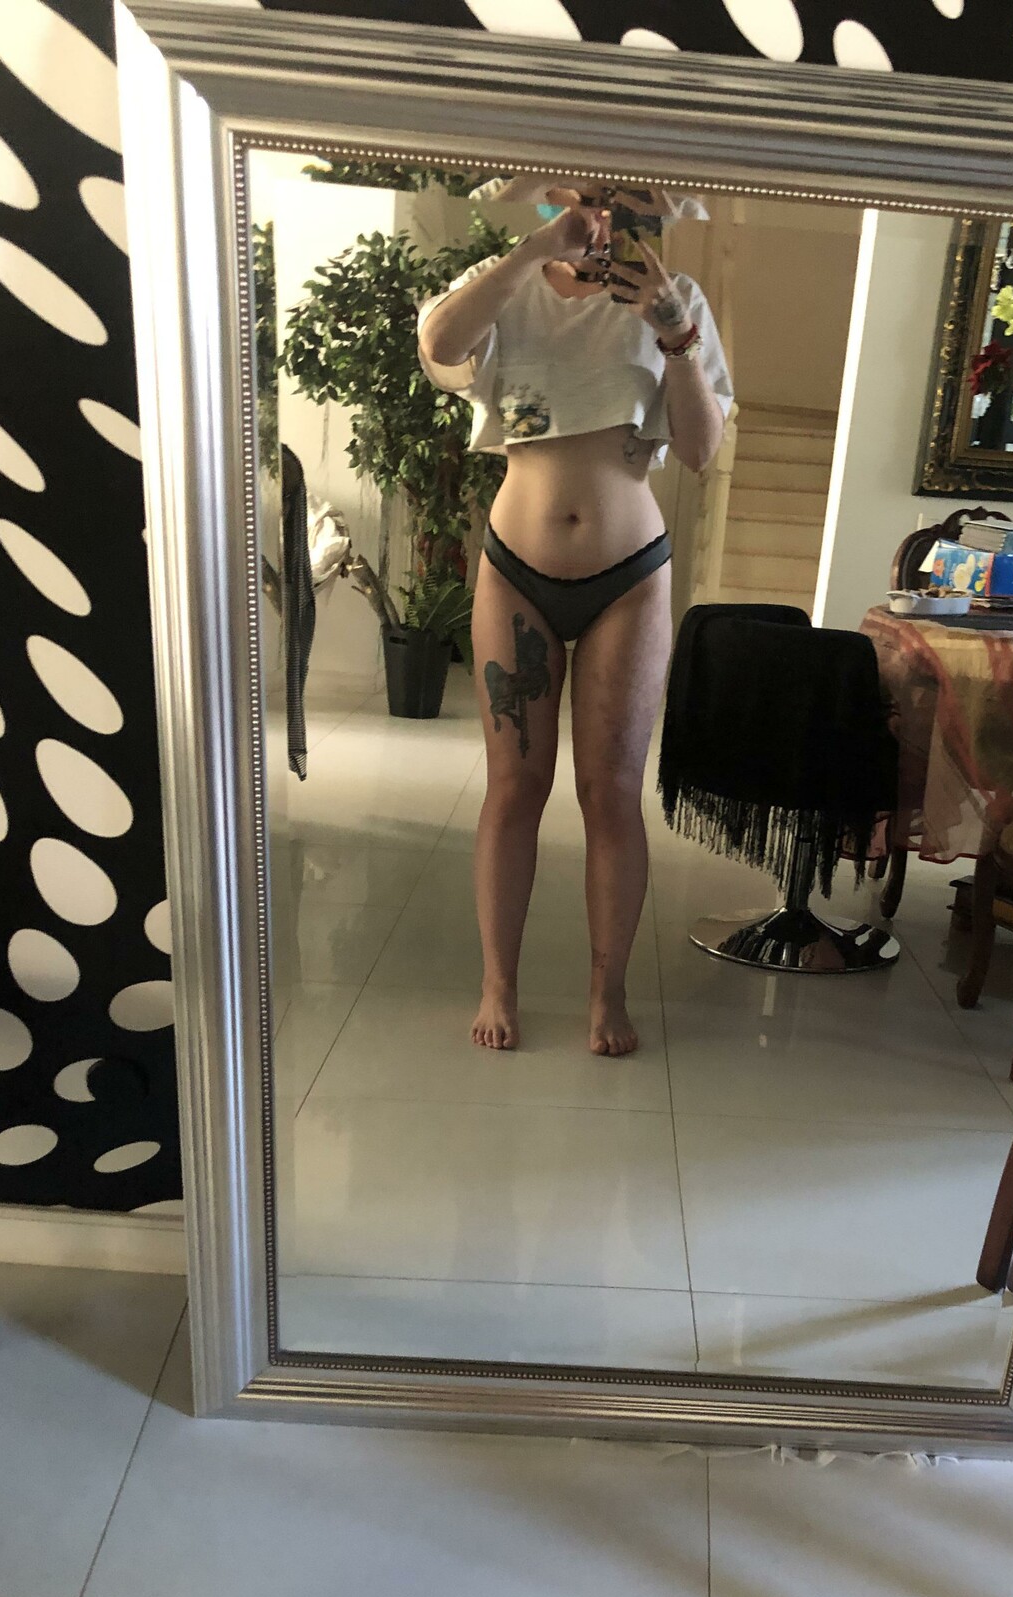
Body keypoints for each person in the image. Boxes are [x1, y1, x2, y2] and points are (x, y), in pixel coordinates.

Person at [418, 193, 732, 1055]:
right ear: (561, 198)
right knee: (514, 786)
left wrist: (675, 336)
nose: (604, 218)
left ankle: (607, 994)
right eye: (589, 200)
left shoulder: (678, 300)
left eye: (626, 203)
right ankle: (498, 984)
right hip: (516, 569)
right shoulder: (505, 284)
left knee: (611, 792)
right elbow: (440, 346)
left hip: (629, 577)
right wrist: (530, 253)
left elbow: (700, 450)